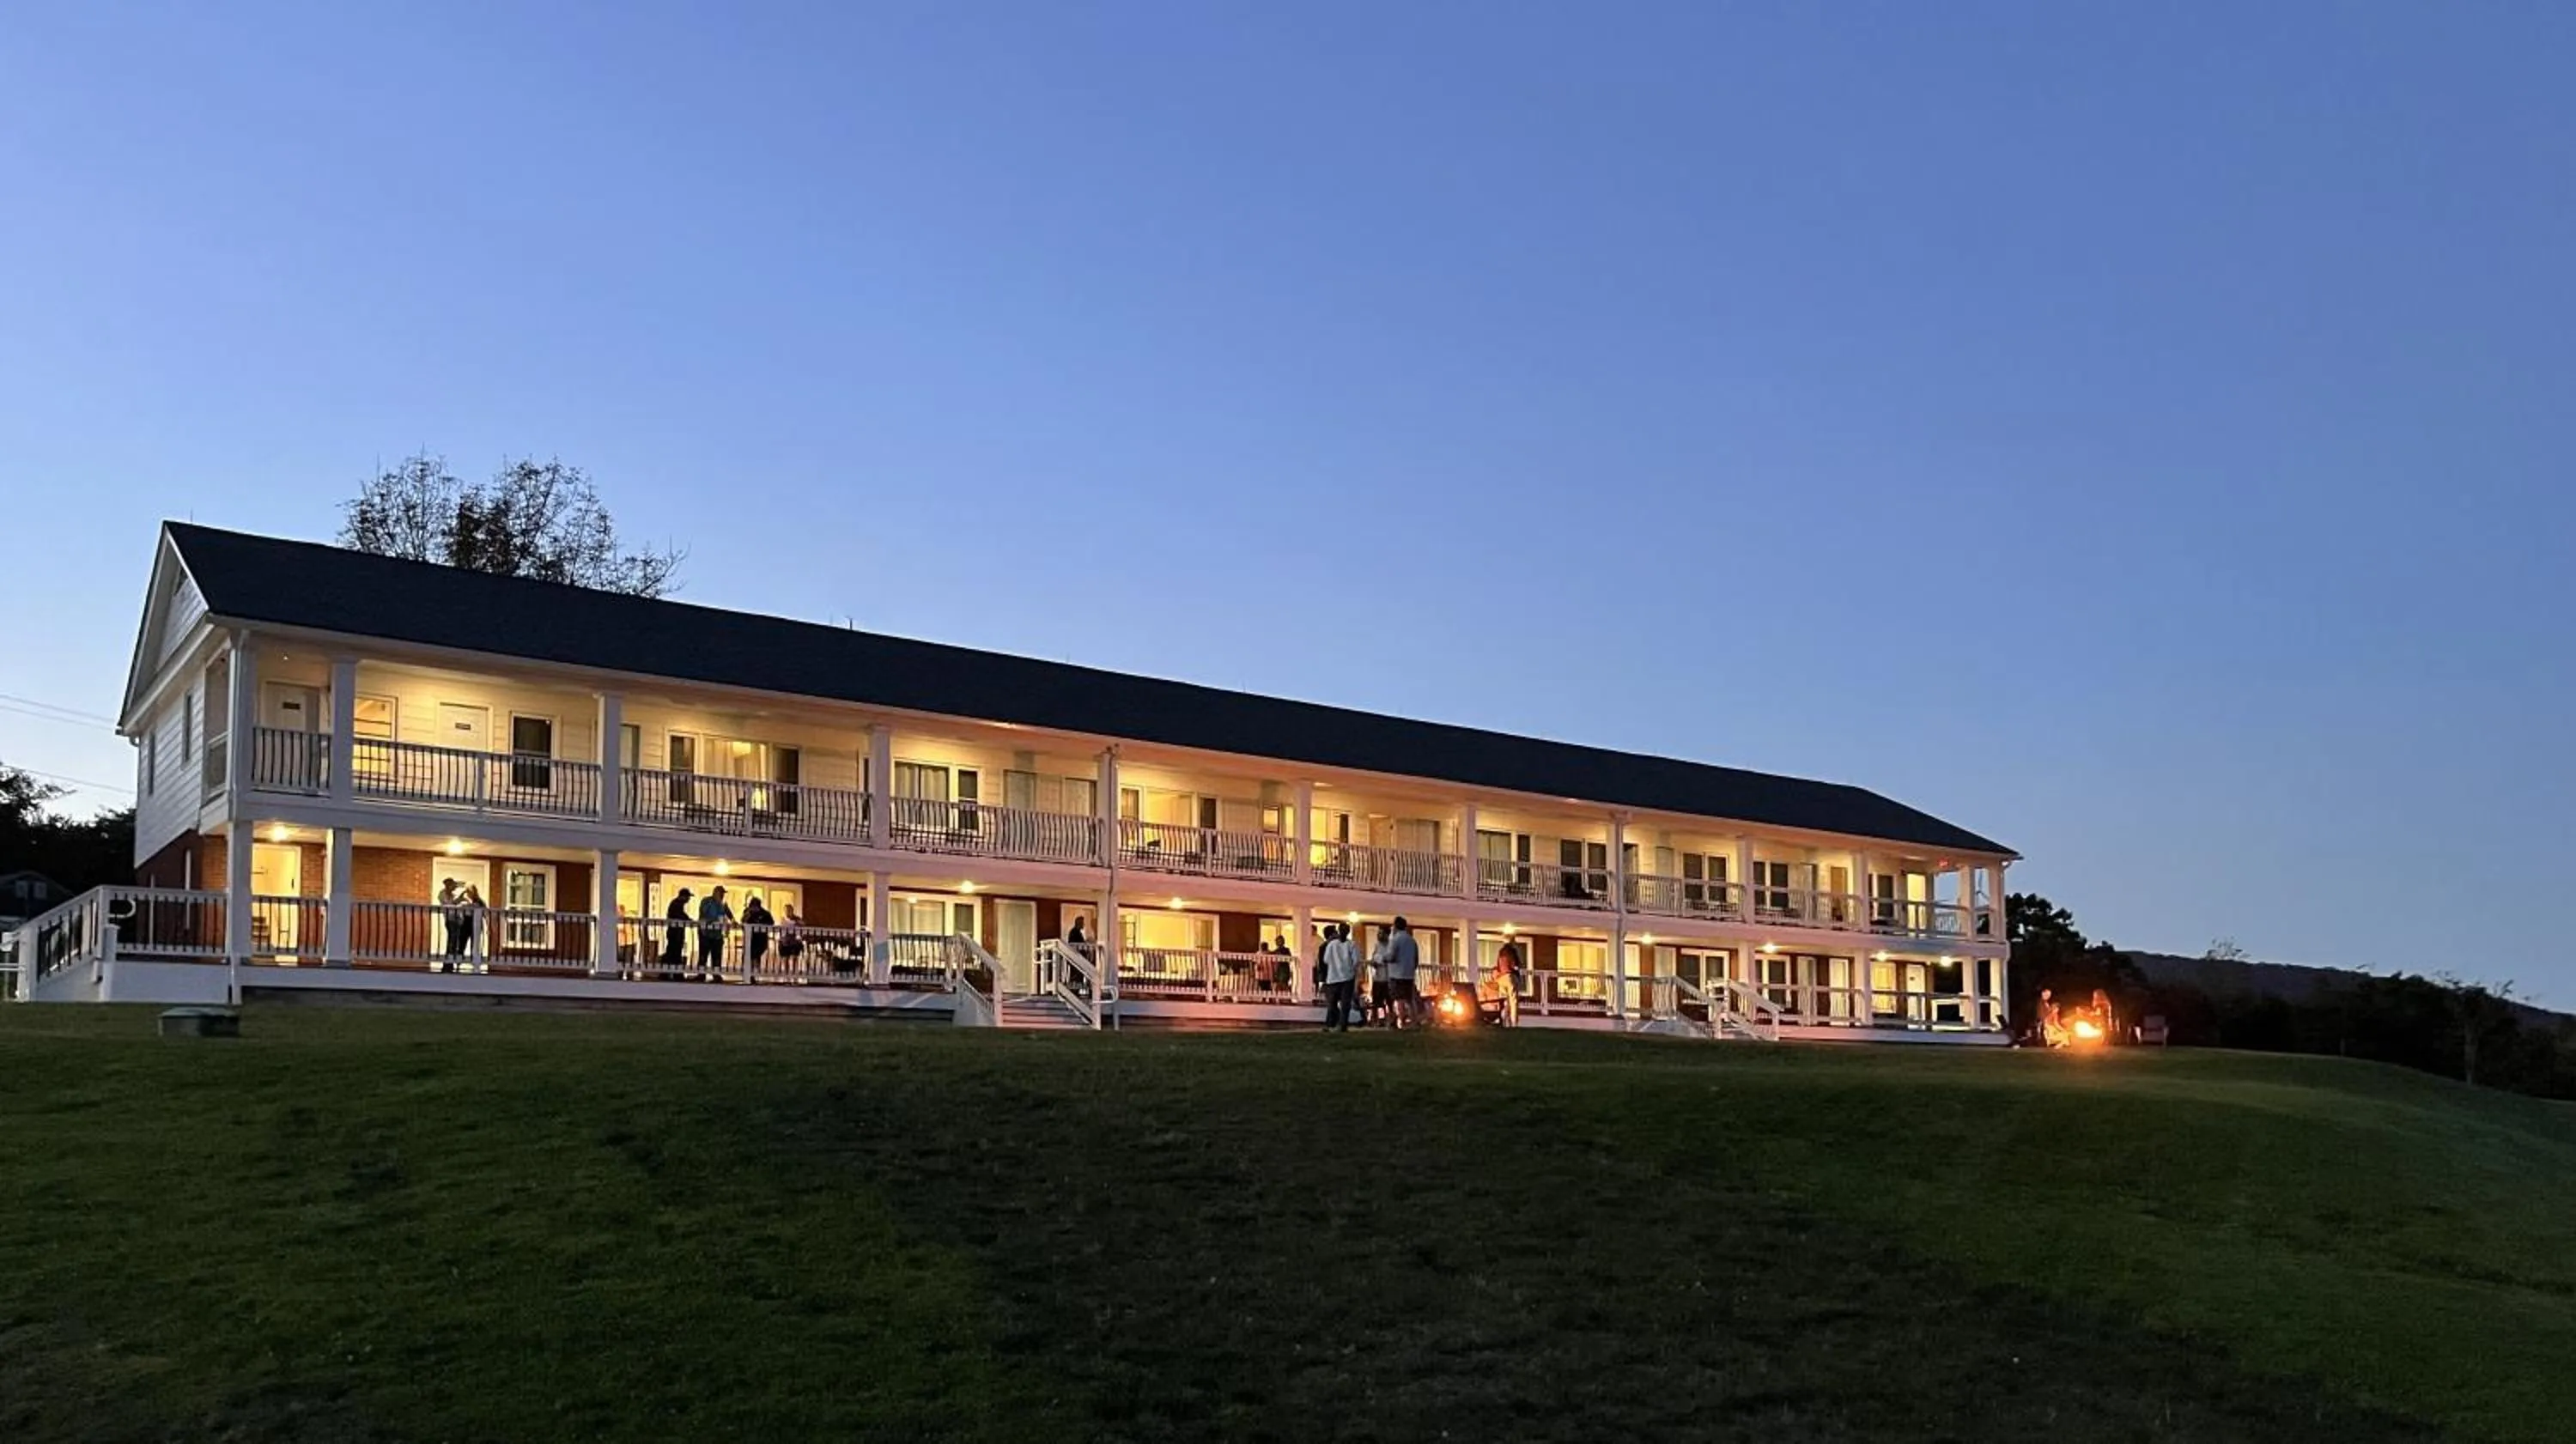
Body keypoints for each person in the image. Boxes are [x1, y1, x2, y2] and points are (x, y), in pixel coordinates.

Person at [1321, 923, 1362, 1032]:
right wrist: (1351, 970)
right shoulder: (1351, 944)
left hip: (1333, 977)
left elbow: (1326, 960)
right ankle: (1342, 1024)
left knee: (1333, 1003)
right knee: (1345, 1003)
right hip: (1347, 977)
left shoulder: (1332, 945)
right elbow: (1356, 961)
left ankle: (1332, 1024)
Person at [1382, 916, 1421, 1028]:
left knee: (1399, 999)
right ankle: (1414, 1021)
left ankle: (1402, 1022)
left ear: (1396, 926)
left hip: (1397, 974)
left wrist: (1383, 958)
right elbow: (1416, 959)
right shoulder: (1412, 940)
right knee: (1410, 999)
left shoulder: (1395, 940)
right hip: (1409, 974)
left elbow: (1391, 956)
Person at [697, 885, 733, 978]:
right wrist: (711, 921)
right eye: (720, 893)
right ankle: (701, 975)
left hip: (717, 934)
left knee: (717, 955)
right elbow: (703, 913)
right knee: (703, 955)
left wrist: (733, 921)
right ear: (715, 892)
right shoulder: (707, 901)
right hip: (705, 933)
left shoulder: (723, 904)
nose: (722, 895)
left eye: (723, 894)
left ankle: (716, 975)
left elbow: (728, 913)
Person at [437, 877, 471, 970]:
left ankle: (451, 963)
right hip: (450, 919)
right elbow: (448, 904)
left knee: (455, 941)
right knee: (451, 940)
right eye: (452, 885)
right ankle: (447, 963)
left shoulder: (453, 895)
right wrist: (459, 900)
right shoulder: (442, 894)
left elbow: (456, 902)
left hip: (457, 920)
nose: (454, 887)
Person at [662, 888, 694, 975]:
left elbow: (681, 914)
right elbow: (679, 915)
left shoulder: (677, 903)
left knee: (673, 952)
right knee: (674, 953)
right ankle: (672, 974)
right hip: (675, 933)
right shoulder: (676, 904)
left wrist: (687, 919)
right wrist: (687, 919)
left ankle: (671, 973)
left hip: (676, 933)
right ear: (683, 896)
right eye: (688, 897)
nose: (688, 899)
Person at [742, 893, 774, 972]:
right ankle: (748, 973)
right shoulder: (747, 911)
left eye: (755, 906)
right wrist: (748, 914)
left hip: (761, 938)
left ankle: (754, 972)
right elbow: (743, 921)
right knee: (748, 955)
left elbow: (771, 923)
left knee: (756, 955)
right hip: (750, 938)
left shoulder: (765, 913)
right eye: (752, 906)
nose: (754, 908)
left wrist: (761, 925)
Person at [776, 902, 805, 970]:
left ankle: (794, 973)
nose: (787, 912)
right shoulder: (782, 919)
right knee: (785, 958)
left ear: (792, 911)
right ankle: (786, 973)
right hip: (785, 941)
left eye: (789, 910)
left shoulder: (797, 918)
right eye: (786, 910)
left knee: (795, 958)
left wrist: (796, 922)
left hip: (794, 941)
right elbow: (780, 928)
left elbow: (803, 924)